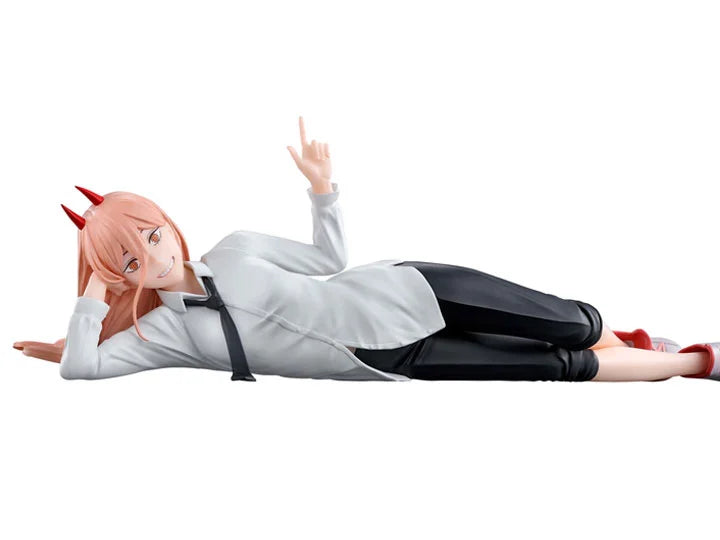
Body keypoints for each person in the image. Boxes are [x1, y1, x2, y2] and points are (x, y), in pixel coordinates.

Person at [12, 117, 720, 383]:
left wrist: (323, 191)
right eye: (129, 261)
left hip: (408, 289)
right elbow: (82, 368)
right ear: (117, 277)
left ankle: (634, 342)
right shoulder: (166, 336)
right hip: (389, 360)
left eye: (152, 234)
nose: (154, 256)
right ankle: (694, 362)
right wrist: (93, 300)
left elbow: (327, 261)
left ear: (168, 222)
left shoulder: (236, 249)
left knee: (573, 325)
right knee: (559, 368)